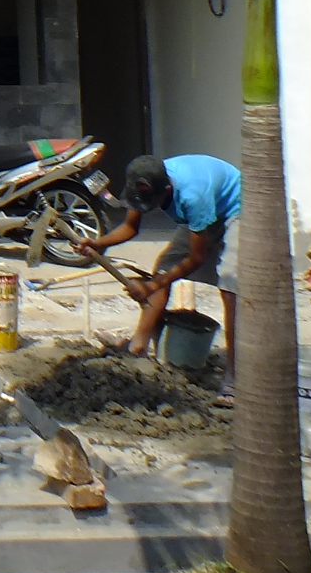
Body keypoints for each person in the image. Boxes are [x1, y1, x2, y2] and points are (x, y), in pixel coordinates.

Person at [76, 152, 240, 405]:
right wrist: (97, 243)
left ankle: (235, 379)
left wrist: (153, 285)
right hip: (204, 212)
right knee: (164, 266)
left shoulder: (192, 195)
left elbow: (196, 259)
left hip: (236, 210)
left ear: (167, 189)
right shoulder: (142, 181)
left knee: (231, 287)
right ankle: (138, 346)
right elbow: (131, 228)